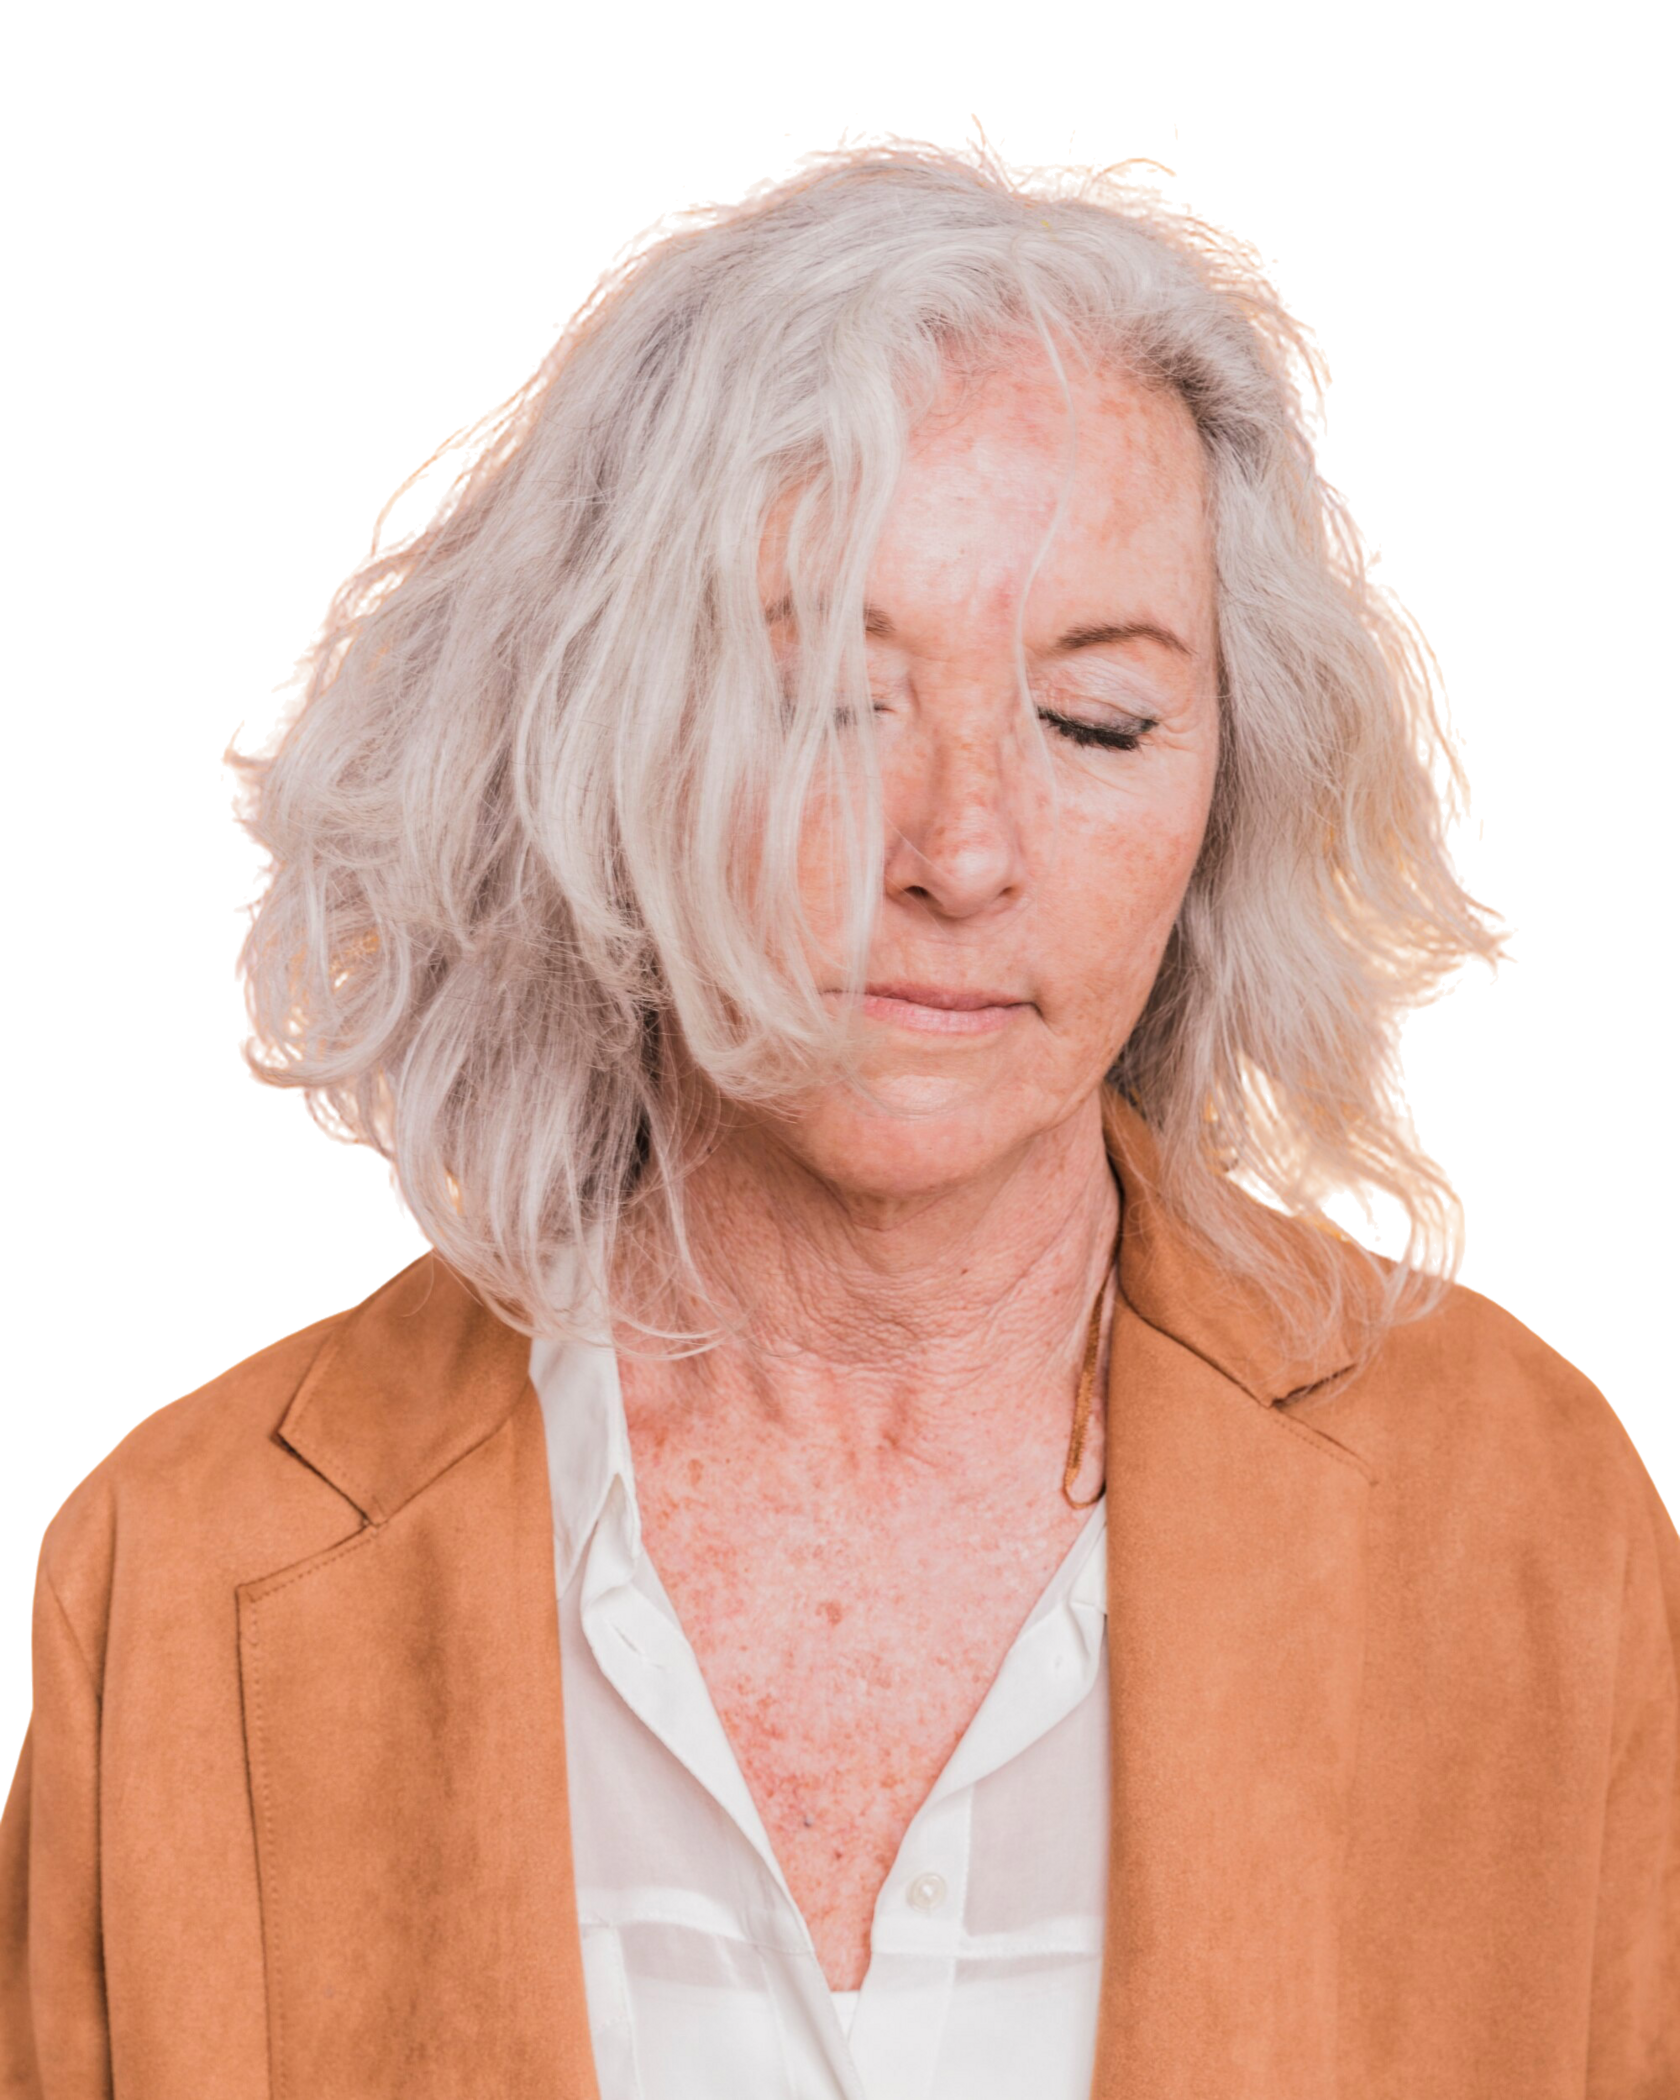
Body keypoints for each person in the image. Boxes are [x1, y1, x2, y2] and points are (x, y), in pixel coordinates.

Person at [4, 131, 1674, 2100]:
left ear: (1230, 788)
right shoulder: (173, 1566)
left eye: (1098, 721)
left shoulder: (1536, 1518)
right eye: (823, 703)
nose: (963, 851)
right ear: (588, 742)